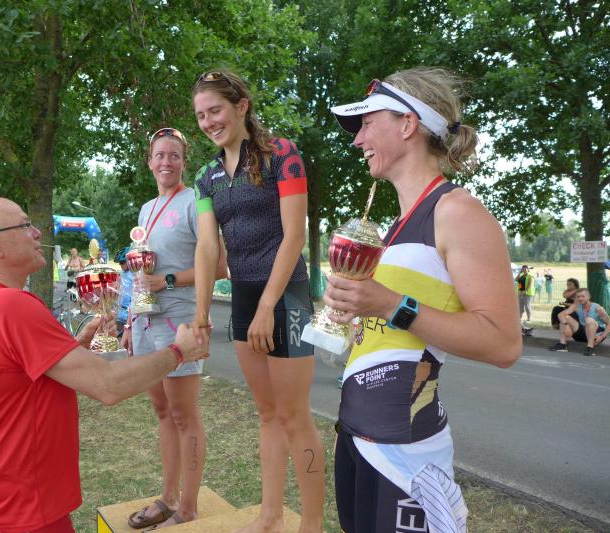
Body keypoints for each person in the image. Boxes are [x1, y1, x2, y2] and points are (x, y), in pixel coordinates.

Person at [326, 68, 521, 531]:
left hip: (406, 455)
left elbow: (503, 344)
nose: (358, 140)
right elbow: (391, 328)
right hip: (356, 436)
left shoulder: (457, 212)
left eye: (367, 124)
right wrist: (353, 313)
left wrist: (390, 304)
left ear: (408, 124)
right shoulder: (395, 226)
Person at [0, 197, 208, 532]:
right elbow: (109, 385)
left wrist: (75, 346)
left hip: (1, 501)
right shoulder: (11, 306)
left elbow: (16, 379)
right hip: (24, 510)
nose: (36, 232)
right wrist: (179, 351)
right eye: (25, 225)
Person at [191, 70, 323, 533]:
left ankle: (311, 524)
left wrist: (269, 306)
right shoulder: (205, 176)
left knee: (294, 415)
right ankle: (270, 516)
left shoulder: (281, 154)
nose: (209, 122)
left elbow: (295, 236)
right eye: (201, 115)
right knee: (267, 414)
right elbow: (208, 247)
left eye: (216, 110)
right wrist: (201, 313)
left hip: (286, 295)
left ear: (241, 105)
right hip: (244, 297)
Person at [122, 128, 227, 529]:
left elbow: (219, 267)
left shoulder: (195, 202)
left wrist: (166, 281)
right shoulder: (146, 210)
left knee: (184, 415)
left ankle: (188, 507)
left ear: (184, 161)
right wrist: (130, 320)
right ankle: (167, 499)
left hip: (179, 320)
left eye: (174, 155)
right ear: (149, 161)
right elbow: (140, 271)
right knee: (162, 411)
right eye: (159, 155)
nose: (166, 162)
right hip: (145, 321)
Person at [550, 288, 609, 356]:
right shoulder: (576, 306)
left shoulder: (598, 308)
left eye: (583, 296)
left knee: (589, 319)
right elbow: (560, 314)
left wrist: (602, 337)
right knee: (565, 317)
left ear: (589, 297)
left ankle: (590, 348)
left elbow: (609, 324)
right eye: (578, 297)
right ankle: (562, 345)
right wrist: (566, 324)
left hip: (596, 336)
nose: (580, 298)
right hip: (582, 334)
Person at [114, 246, 133, 337]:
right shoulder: (123, 273)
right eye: (119, 263)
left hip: (130, 311)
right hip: (122, 310)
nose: (120, 265)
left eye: (122, 262)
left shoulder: (134, 273)